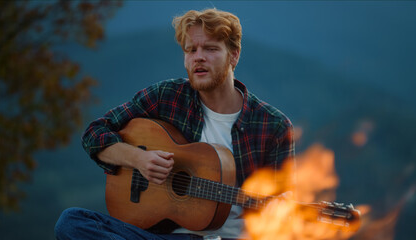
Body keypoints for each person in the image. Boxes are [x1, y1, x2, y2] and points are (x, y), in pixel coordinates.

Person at [55, 8, 295, 240]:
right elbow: (94, 133)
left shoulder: (273, 127)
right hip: (159, 236)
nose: (198, 57)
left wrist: (280, 212)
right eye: (191, 50)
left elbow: (279, 223)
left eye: (210, 49)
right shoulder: (166, 96)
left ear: (234, 55)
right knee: (72, 221)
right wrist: (138, 159)